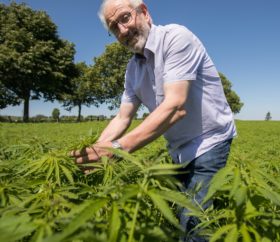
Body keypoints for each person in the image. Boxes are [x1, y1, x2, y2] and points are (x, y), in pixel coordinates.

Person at [71, 0, 237, 240]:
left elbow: (175, 106)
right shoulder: (132, 69)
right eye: (114, 28)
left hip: (210, 140)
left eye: (125, 18)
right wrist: (96, 152)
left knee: (193, 222)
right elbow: (122, 117)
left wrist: (117, 149)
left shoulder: (176, 38)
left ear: (144, 12)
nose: (123, 30)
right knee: (177, 210)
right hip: (178, 149)